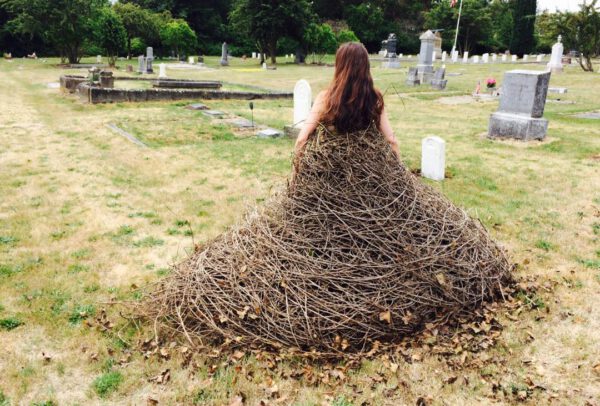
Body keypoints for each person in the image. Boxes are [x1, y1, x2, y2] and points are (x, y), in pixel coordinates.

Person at [294, 42, 399, 160]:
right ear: (365, 66)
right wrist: (398, 173)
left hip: (330, 168)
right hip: (365, 169)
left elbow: (302, 139)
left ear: (339, 65)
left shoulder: (325, 98)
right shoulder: (374, 98)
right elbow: (391, 140)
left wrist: (298, 173)